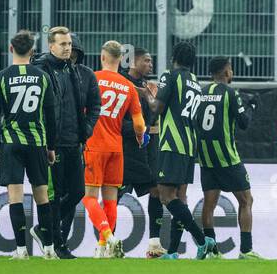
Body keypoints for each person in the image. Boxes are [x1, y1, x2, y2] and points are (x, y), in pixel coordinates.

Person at [0, 30, 59, 260]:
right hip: (37, 142)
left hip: (11, 143)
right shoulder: (43, 76)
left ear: (10, 49)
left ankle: (20, 250)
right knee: (42, 196)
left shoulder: (1, 77)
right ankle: (48, 248)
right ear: (32, 52)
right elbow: (50, 115)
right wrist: (51, 147)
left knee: (15, 196)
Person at [31, 26, 99, 259]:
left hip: (75, 142)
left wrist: (86, 129)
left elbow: (94, 106)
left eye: (69, 44)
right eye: (63, 44)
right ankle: (59, 246)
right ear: (51, 46)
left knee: (78, 191)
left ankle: (45, 227)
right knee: (56, 193)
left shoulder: (76, 71)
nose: (68, 49)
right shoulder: (40, 69)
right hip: (54, 143)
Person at [146, 42, 216, 259]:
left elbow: (157, 107)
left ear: (173, 57)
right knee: (181, 197)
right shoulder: (195, 81)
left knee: (166, 196)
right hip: (189, 144)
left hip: (172, 142)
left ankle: (203, 240)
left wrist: (147, 94)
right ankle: (174, 252)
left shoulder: (170, 75)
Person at [83, 40, 145, 259]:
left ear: (102, 57)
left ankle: (109, 237)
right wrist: (139, 137)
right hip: (116, 148)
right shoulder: (128, 86)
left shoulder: (92, 79)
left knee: (89, 197)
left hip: (94, 145)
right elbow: (139, 124)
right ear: (121, 59)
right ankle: (103, 249)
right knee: (110, 199)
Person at [196, 56, 260, 259]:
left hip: (205, 157)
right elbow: (244, 123)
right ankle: (246, 250)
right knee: (246, 200)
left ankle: (212, 250)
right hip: (227, 157)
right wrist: (252, 107)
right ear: (226, 72)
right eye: (230, 69)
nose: (232, 72)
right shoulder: (231, 93)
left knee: (209, 204)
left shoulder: (201, 91)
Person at [118, 47, 162, 257]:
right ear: (133, 63)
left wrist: (150, 96)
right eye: (147, 60)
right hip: (126, 149)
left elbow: (154, 112)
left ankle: (154, 244)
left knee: (156, 191)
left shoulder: (147, 86)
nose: (150, 65)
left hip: (146, 150)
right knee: (115, 194)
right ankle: (107, 240)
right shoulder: (120, 82)